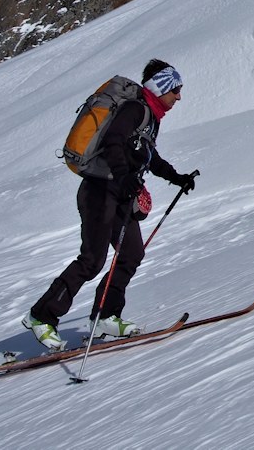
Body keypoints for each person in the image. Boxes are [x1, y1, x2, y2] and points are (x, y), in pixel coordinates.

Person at [22, 59, 198, 350]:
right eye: (175, 90)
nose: (178, 96)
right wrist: (123, 175)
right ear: (162, 87)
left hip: (120, 195)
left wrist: (177, 177)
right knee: (92, 260)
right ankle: (41, 316)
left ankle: (106, 316)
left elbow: (148, 156)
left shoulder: (149, 117)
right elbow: (113, 143)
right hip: (99, 191)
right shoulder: (134, 110)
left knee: (131, 253)